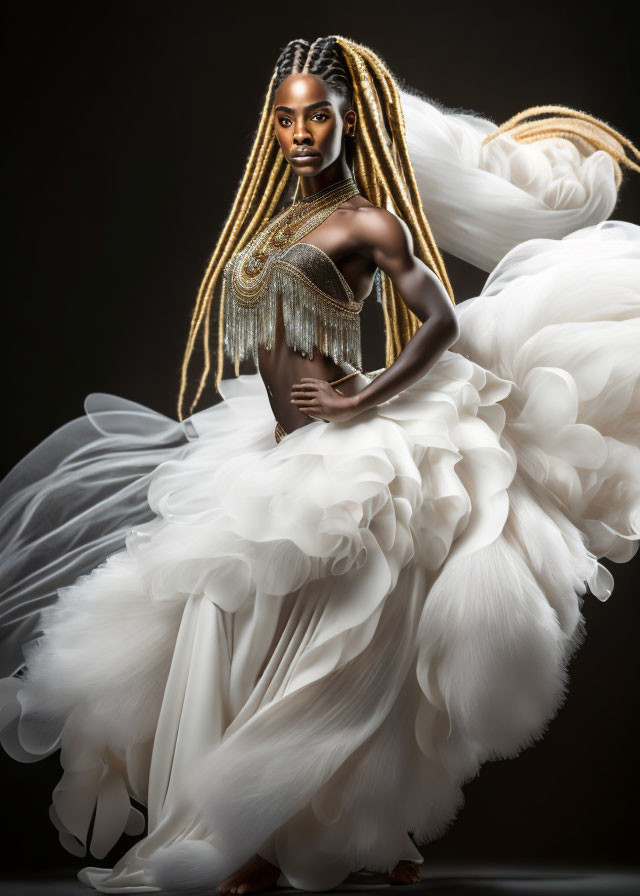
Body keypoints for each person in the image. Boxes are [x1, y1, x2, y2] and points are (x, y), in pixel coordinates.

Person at [0, 34, 639, 895]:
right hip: (272, 446)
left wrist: (360, 401)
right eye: (287, 118)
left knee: (337, 643)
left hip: (346, 441)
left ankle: (295, 830)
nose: (302, 134)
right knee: (240, 626)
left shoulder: (370, 221)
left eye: (320, 117)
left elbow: (441, 322)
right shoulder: (270, 225)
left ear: (353, 120)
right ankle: (285, 828)